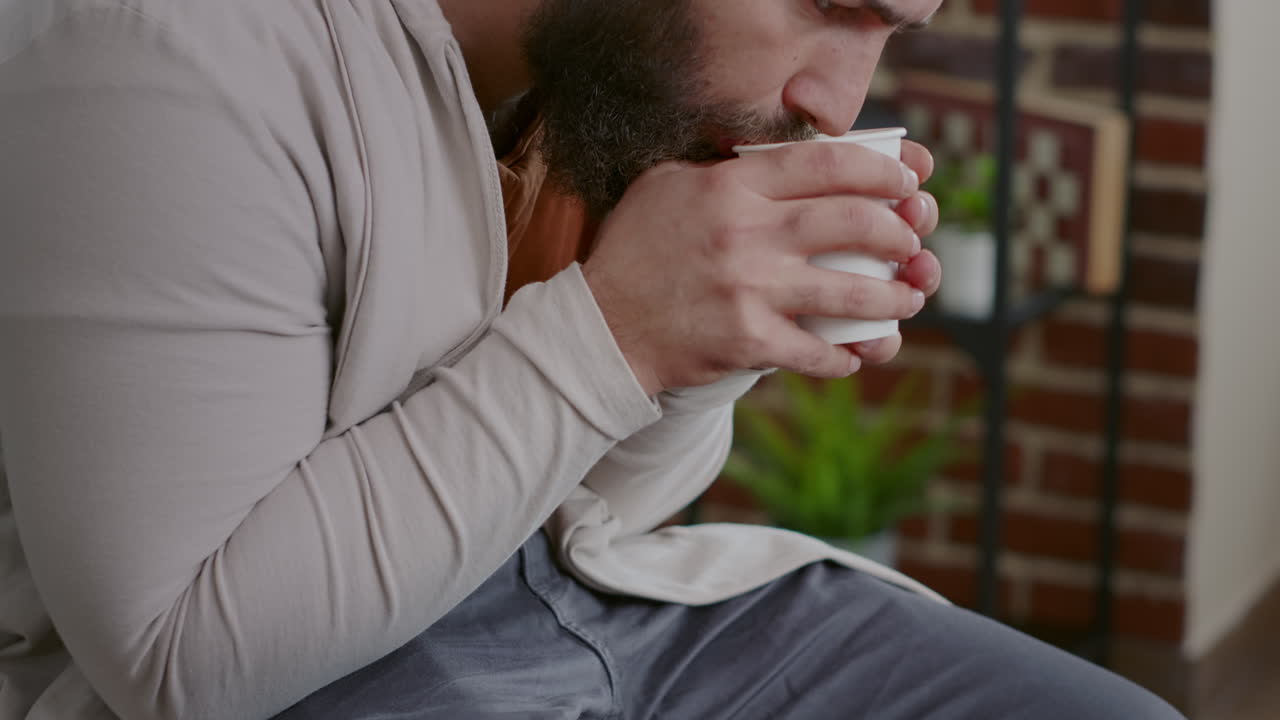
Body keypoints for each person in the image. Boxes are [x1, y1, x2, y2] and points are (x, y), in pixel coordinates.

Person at [0, 0, 1185, 718]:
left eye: (892, 29)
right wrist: (618, 328)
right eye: (830, 1)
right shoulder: (176, 53)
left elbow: (593, 510)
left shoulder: (553, 86)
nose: (837, 98)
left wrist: (701, 338)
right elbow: (176, 665)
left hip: (573, 604)